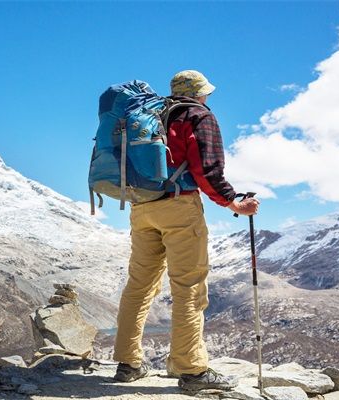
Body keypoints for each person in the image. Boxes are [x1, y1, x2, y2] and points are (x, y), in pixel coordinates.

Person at [112, 70, 260, 392]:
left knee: (139, 286)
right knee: (188, 289)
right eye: (206, 92)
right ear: (198, 93)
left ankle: (127, 363)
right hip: (179, 207)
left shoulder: (151, 114)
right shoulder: (198, 116)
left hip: (141, 207)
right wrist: (233, 202)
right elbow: (207, 169)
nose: (208, 97)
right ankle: (191, 371)